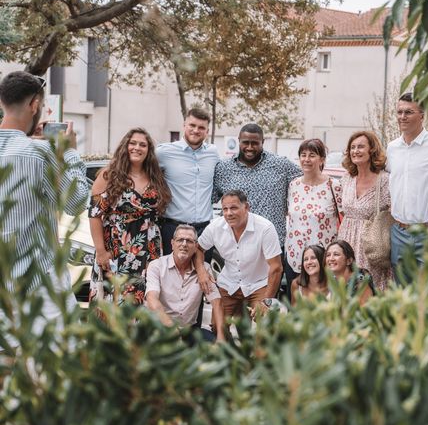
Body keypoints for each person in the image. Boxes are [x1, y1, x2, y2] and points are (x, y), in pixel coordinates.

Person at [0, 71, 89, 330]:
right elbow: (75, 202)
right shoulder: (40, 153)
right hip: (38, 282)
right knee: (58, 360)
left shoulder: (34, 149)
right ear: (34, 105)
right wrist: (69, 153)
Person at [89, 128, 171, 305]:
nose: (137, 148)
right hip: (116, 247)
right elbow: (94, 215)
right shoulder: (109, 175)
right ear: (125, 146)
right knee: (114, 301)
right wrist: (101, 252)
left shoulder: (155, 176)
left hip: (149, 247)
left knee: (145, 299)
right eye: (132, 143)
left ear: (148, 151)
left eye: (143, 145)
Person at [196, 190, 282, 339]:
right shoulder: (215, 227)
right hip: (229, 283)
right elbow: (198, 248)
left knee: (266, 323)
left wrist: (267, 301)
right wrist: (201, 270)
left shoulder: (265, 228)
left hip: (259, 284)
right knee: (217, 327)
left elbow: (276, 267)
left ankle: (258, 357)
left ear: (246, 207)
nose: (229, 213)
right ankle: (232, 354)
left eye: (234, 208)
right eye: (225, 209)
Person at [213, 123, 302, 250]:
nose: (249, 147)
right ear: (239, 141)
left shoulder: (281, 165)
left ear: (262, 142)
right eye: (245, 142)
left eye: (255, 143)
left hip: (272, 243)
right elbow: (209, 200)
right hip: (235, 244)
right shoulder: (223, 168)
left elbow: (308, 181)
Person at [386, 92, 428, 280]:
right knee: (402, 290)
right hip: (399, 232)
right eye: (399, 112)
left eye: (408, 112)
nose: (402, 117)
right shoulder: (392, 148)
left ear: (422, 115)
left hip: (427, 232)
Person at [156, 107, 220, 256]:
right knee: (172, 276)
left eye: (201, 127)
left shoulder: (213, 153)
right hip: (173, 228)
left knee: (203, 275)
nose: (196, 130)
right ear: (184, 125)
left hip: (204, 230)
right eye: (192, 125)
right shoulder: (163, 152)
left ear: (207, 131)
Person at [145, 224, 222, 343]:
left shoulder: (204, 270)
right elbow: (152, 300)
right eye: (180, 240)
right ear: (172, 243)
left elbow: (217, 302)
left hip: (189, 331)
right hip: (162, 329)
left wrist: (221, 338)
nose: (184, 244)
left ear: (196, 246)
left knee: (214, 347)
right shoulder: (157, 266)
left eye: (190, 241)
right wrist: (171, 328)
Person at [338, 131, 392, 290]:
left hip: (372, 243)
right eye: (352, 147)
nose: (355, 151)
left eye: (361, 146)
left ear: (372, 150)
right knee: (345, 288)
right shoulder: (346, 179)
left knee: (368, 289)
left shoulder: (384, 180)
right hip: (346, 241)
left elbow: (392, 213)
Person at [285, 139, 341, 290]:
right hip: (296, 258)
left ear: (322, 159)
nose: (306, 159)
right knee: (297, 306)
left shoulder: (333, 186)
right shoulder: (293, 185)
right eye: (303, 155)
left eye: (312, 155)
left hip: (324, 260)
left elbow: (344, 219)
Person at [325, 240, 374, 306]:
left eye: (336, 254)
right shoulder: (333, 280)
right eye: (328, 255)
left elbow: (365, 311)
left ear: (349, 261)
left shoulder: (360, 281)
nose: (331, 259)